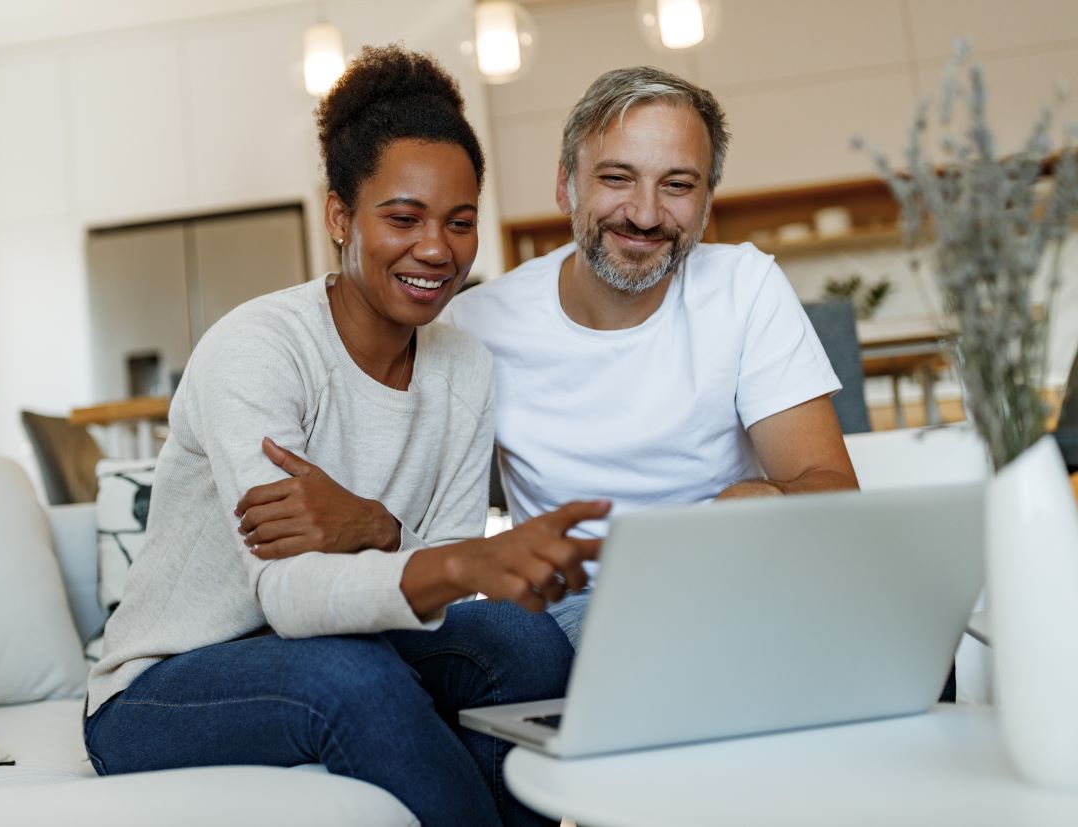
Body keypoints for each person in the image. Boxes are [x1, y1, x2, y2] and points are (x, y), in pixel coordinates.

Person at [84, 45, 603, 827]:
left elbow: (448, 576)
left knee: (520, 638)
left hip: (350, 638)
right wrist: (438, 551)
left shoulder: (464, 365)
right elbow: (291, 597)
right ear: (339, 216)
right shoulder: (260, 350)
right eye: (403, 218)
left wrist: (376, 525)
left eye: (459, 223)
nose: (437, 248)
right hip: (168, 682)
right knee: (352, 676)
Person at [444, 66, 859, 648]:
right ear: (566, 185)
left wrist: (774, 496)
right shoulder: (474, 323)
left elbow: (833, 488)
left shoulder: (747, 285)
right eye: (617, 178)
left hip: (735, 580)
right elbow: (435, 526)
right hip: (573, 605)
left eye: (678, 186)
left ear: (707, 202)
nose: (644, 213)